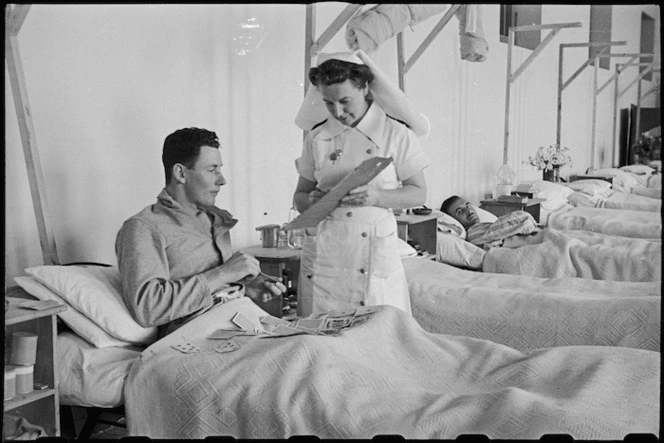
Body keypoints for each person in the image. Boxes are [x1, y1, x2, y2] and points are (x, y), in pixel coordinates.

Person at [293, 52, 430, 317]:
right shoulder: (317, 137)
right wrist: (310, 202)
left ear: (365, 88)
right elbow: (299, 196)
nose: (338, 112)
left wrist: (377, 196)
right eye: (329, 103)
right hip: (325, 258)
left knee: (375, 334)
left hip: (372, 254)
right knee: (322, 338)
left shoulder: (395, 133)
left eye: (345, 101)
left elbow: (419, 193)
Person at [116, 127, 285, 339]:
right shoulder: (143, 227)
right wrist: (224, 273)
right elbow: (149, 308)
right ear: (180, 173)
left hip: (239, 324)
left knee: (327, 344)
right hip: (196, 340)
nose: (222, 180)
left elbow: (213, 289)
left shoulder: (215, 220)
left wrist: (244, 288)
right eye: (212, 169)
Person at [440, 195, 538, 248]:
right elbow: (524, 219)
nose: (469, 210)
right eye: (460, 211)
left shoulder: (483, 226)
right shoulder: (473, 233)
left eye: (468, 205)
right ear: (454, 221)